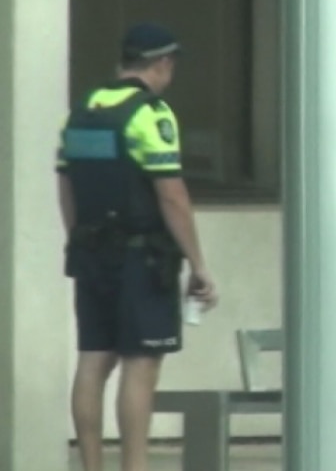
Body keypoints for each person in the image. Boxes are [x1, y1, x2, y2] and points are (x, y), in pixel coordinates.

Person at [56, 23, 218, 471]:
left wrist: (78, 237)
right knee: (141, 363)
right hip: (141, 257)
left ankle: (90, 466)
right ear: (162, 63)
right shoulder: (151, 114)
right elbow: (172, 195)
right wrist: (198, 264)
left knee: (93, 360)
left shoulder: (81, 110)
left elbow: (66, 183)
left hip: (91, 253)